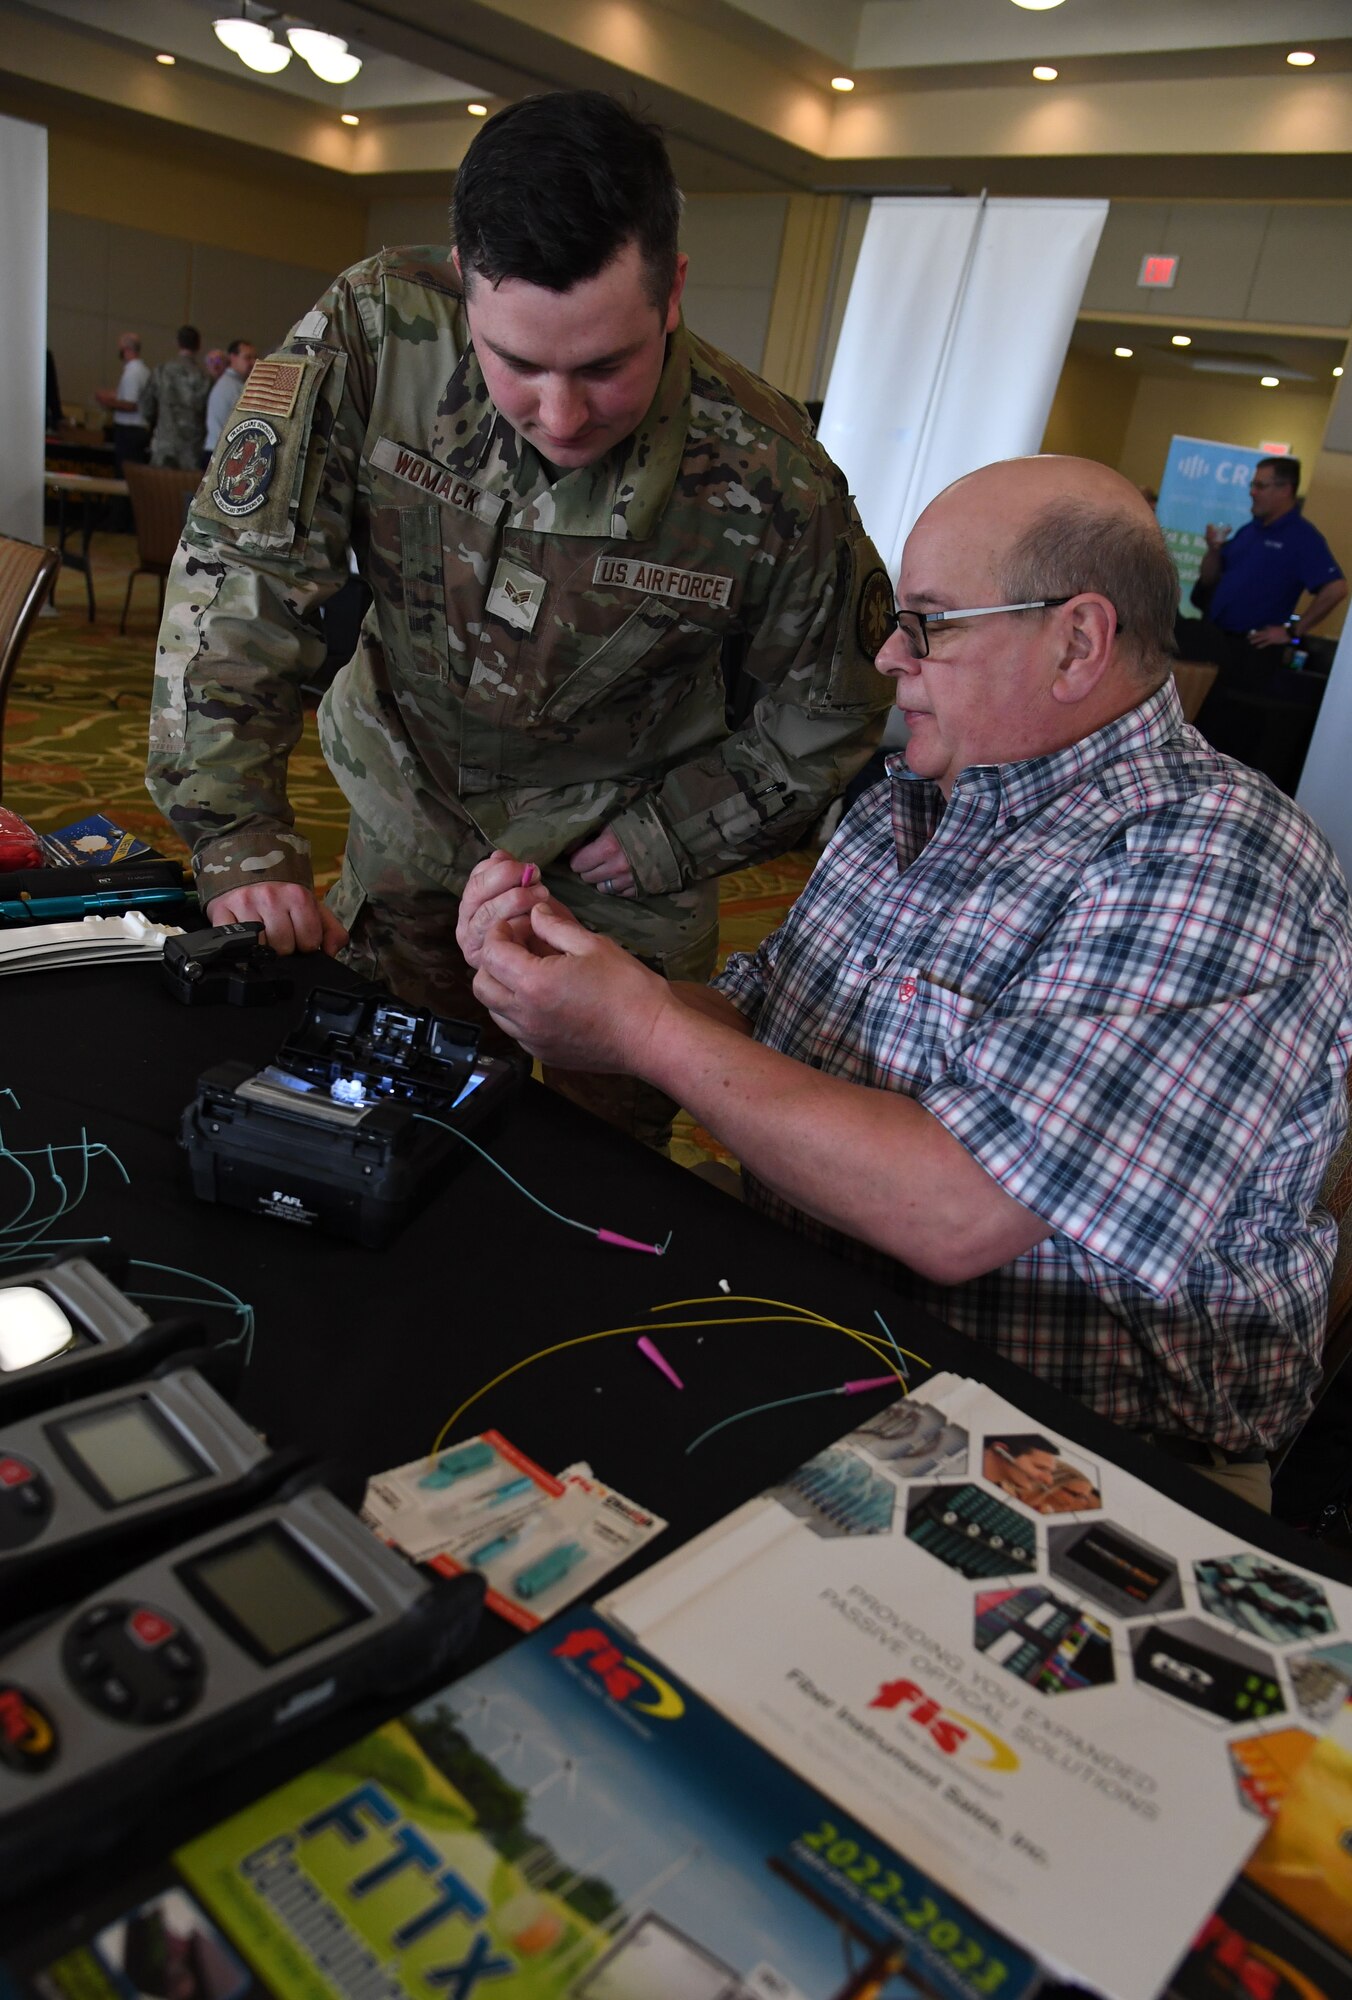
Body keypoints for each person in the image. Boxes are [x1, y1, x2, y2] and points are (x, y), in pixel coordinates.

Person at [458, 456, 1352, 1509]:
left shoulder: (1213, 858)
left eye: (928, 623)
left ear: (1075, 641)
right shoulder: (909, 805)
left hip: (1081, 1456)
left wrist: (644, 1026)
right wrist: (594, 984)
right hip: (833, 1334)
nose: (888, 655)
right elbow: (760, 1015)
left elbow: (958, 1208)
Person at [147, 90, 889, 1143]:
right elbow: (240, 575)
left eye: (602, 366)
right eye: (517, 363)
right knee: (380, 1127)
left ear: (671, 289)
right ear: (461, 278)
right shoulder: (376, 330)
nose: (560, 413)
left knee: (599, 1178)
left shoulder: (771, 476)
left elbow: (838, 704)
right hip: (406, 824)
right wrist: (236, 832)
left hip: (613, 887)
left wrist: (672, 830)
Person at [1177, 456, 1346, 667]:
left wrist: (1292, 631)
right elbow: (1209, 579)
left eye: (1260, 486)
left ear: (1285, 490)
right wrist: (1213, 550)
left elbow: (1336, 588)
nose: (1252, 492)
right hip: (1214, 637)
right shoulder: (1249, 531)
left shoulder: (1302, 537)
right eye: (1252, 484)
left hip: (1251, 650)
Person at [139, 325, 209, 470]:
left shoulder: (161, 371)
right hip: (192, 448)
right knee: (186, 490)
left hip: (164, 444)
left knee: (160, 488)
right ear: (198, 345)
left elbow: (146, 408)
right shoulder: (204, 378)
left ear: (177, 343)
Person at [93, 332, 151, 471]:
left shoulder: (132, 373)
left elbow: (131, 404)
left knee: (124, 472)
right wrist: (113, 395)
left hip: (128, 432)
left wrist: (106, 401)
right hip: (139, 430)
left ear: (126, 349)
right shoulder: (144, 371)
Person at [202, 339, 257, 464]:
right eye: (247, 358)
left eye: (255, 357)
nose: (253, 362)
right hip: (219, 454)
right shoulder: (232, 387)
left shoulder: (232, 383)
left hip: (218, 451)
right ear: (233, 357)